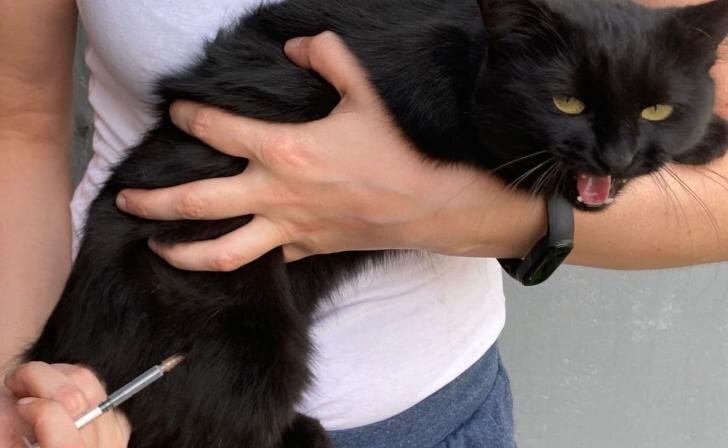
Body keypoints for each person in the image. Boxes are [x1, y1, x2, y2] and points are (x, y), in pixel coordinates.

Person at [1, 1, 727, 447]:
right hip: (136, 375)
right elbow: (18, 126)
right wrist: (17, 382)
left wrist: (434, 206)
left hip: (439, 419)